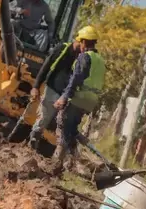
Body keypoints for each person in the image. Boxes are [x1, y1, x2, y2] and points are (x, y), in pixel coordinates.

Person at [52, 25, 106, 173]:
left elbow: (76, 79)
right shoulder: (100, 60)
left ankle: (66, 162)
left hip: (79, 97)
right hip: (90, 101)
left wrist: (64, 97)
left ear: (84, 41)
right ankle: (72, 161)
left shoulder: (84, 57)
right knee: (71, 129)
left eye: (80, 42)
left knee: (62, 123)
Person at [28, 35, 82, 149]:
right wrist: (36, 86)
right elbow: (46, 66)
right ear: (78, 40)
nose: (84, 48)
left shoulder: (82, 59)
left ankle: (51, 150)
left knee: (58, 124)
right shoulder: (61, 49)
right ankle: (33, 141)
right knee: (44, 117)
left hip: (65, 96)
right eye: (83, 44)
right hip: (52, 88)